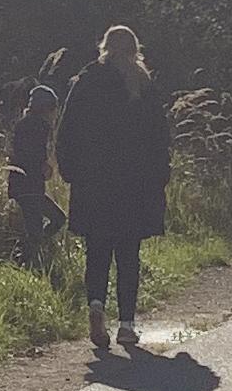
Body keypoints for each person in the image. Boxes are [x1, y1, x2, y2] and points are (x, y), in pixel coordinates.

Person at [57, 24, 172, 352]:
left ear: (104, 47)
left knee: (97, 250)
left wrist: (69, 169)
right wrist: (160, 175)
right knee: (128, 255)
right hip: (133, 185)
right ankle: (126, 325)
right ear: (135, 48)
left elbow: (67, 129)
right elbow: (158, 136)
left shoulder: (86, 81)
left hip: (94, 183)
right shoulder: (143, 84)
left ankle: (96, 306)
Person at [6, 83, 66, 265]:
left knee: (38, 227)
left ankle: (24, 256)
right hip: (30, 186)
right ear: (47, 108)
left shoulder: (23, 124)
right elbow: (35, 157)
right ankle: (23, 260)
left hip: (20, 184)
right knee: (55, 220)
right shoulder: (40, 126)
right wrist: (44, 167)